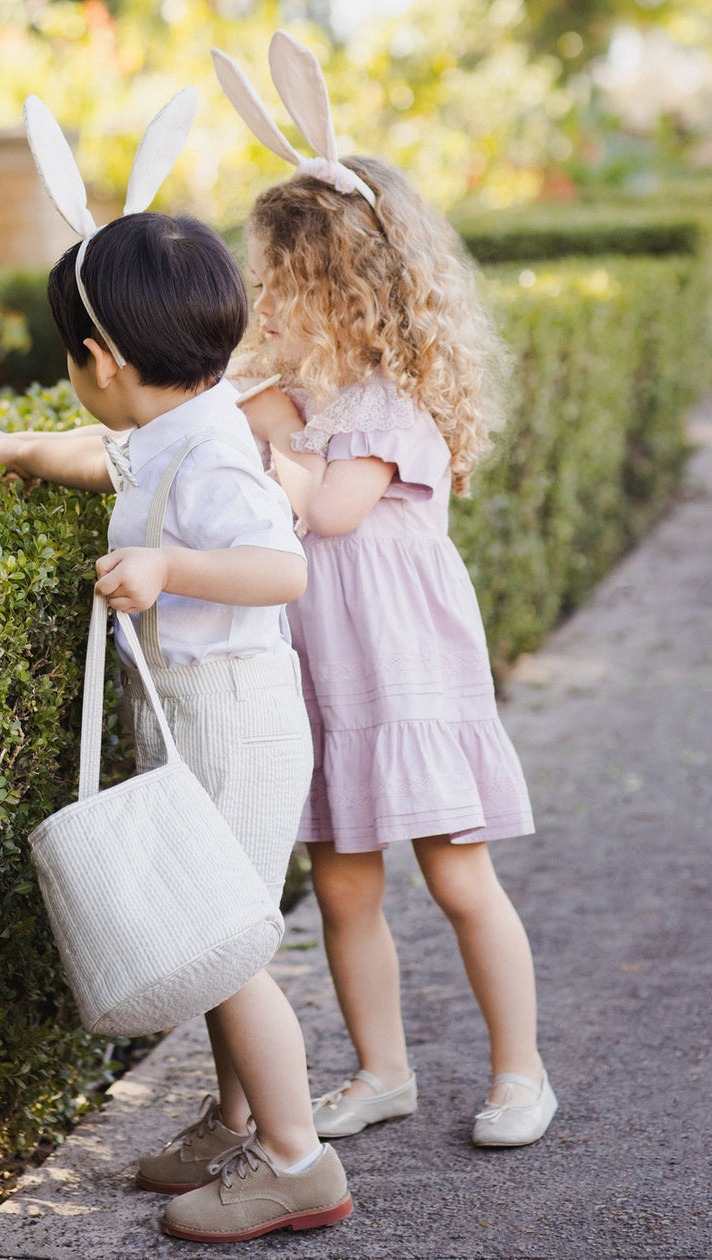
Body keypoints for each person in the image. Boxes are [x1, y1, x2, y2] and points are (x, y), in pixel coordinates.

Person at [0, 211, 353, 1242]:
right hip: (204, 717)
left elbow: (283, 569)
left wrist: (170, 570)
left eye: (68, 359)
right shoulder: (178, 427)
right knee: (217, 932)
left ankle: (298, 1164)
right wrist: (20, 451)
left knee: (229, 944)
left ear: (103, 359)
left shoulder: (214, 457)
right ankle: (237, 1123)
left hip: (235, 723)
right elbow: (110, 456)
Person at [227, 146, 557, 1149]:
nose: (267, 303)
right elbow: (198, 430)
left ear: (349, 293)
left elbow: (329, 510)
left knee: (459, 877)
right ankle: (382, 1070)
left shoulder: (385, 407)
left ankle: (522, 1072)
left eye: (284, 284)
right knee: (342, 885)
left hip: (407, 674)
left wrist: (267, 443)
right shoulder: (302, 402)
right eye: (263, 284)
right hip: (330, 680)